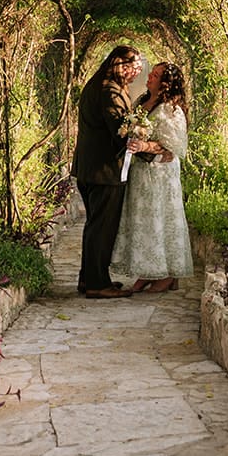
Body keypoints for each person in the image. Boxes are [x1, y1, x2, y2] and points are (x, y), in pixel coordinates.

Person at [112, 61, 193, 294]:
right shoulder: (142, 102)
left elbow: (173, 147)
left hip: (160, 174)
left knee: (159, 219)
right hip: (140, 171)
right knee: (142, 220)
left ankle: (166, 274)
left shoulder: (171, 109)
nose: (149, 77)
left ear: (166, 83)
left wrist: (145, 145)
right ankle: (147, 271)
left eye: (155, 75)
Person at [72, 45, 142, 298]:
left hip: (90, 169)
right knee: (102, 228)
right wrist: (141, 136)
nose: (135, 74)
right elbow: (120, 131)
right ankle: (97, 284)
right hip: (104, 171)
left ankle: (89, 278)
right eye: (134, 68)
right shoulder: (109, 92)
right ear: (121, 65)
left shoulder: (97, 84)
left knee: (94, 226)